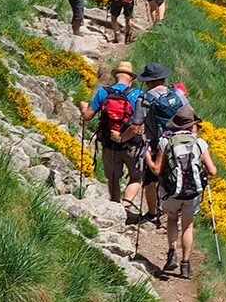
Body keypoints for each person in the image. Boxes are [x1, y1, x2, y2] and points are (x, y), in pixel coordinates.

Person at [145, 106, 217, 279]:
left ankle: (172, 253)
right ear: (192, 125)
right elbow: (213, 171)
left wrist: (147, 155)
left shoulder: (165, 141)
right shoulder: (199, 142)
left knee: (171, 219)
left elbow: (156, 169)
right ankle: (185, 265)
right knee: (188, 225)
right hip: (192, 192)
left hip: (171, 191)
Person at [120, 62, 189, 225]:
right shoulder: (178, 94)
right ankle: (176, 213)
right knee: (178, 174)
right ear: (163, 79)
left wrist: (121, 139)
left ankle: (152, 213)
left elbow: (135, 126)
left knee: (150, 181)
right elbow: (190, 116)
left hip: (156, 145)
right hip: (180, 144)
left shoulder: (144, 99)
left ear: (149, 81)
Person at [79, 61, 143, 215]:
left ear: (115, 76)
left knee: (113, 177)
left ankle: (114, 209)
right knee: (136, 178)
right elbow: (140, 122)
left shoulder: (103, 92)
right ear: (131, 79)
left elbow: (87, 116)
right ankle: (125, 207)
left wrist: (83, 107)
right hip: (131, 144)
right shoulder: (137, 95)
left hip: (109, 143)